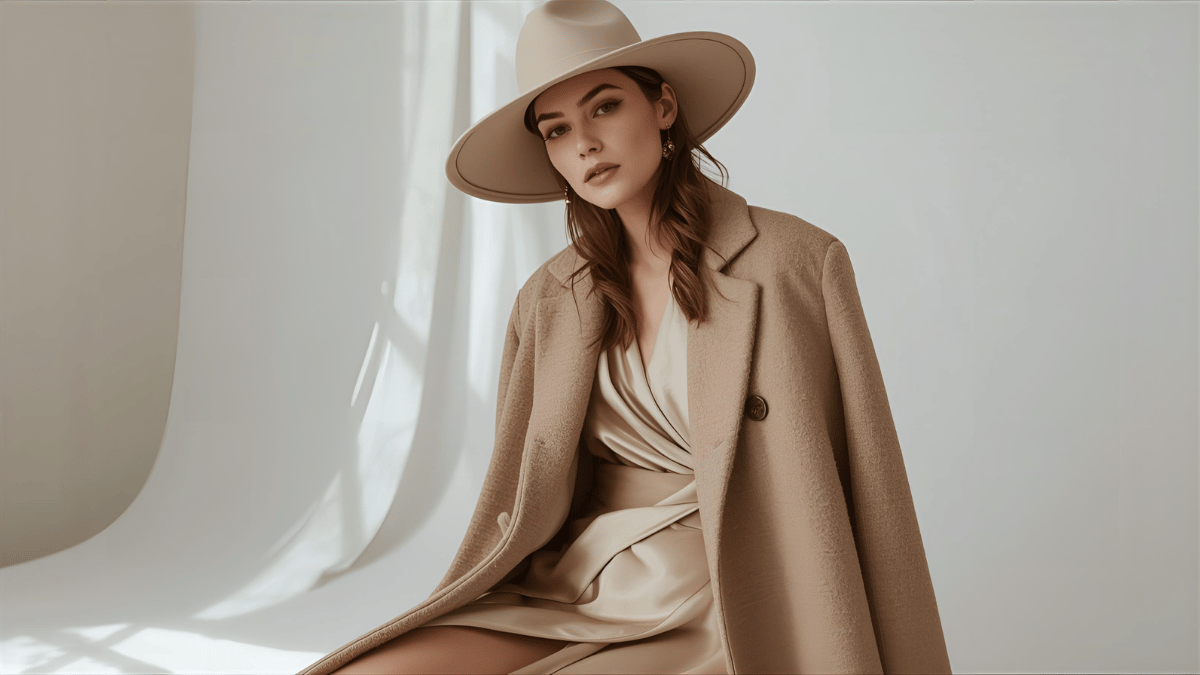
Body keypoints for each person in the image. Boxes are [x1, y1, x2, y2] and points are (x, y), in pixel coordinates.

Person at [301, 2, 952, 674]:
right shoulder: (549, 299)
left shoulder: (794, 262)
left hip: (734, 587)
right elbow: (525, 489)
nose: (583, 143)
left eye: (605, 107)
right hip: (580, 578)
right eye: (557, 129)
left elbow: (872, 487)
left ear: (663, 106)